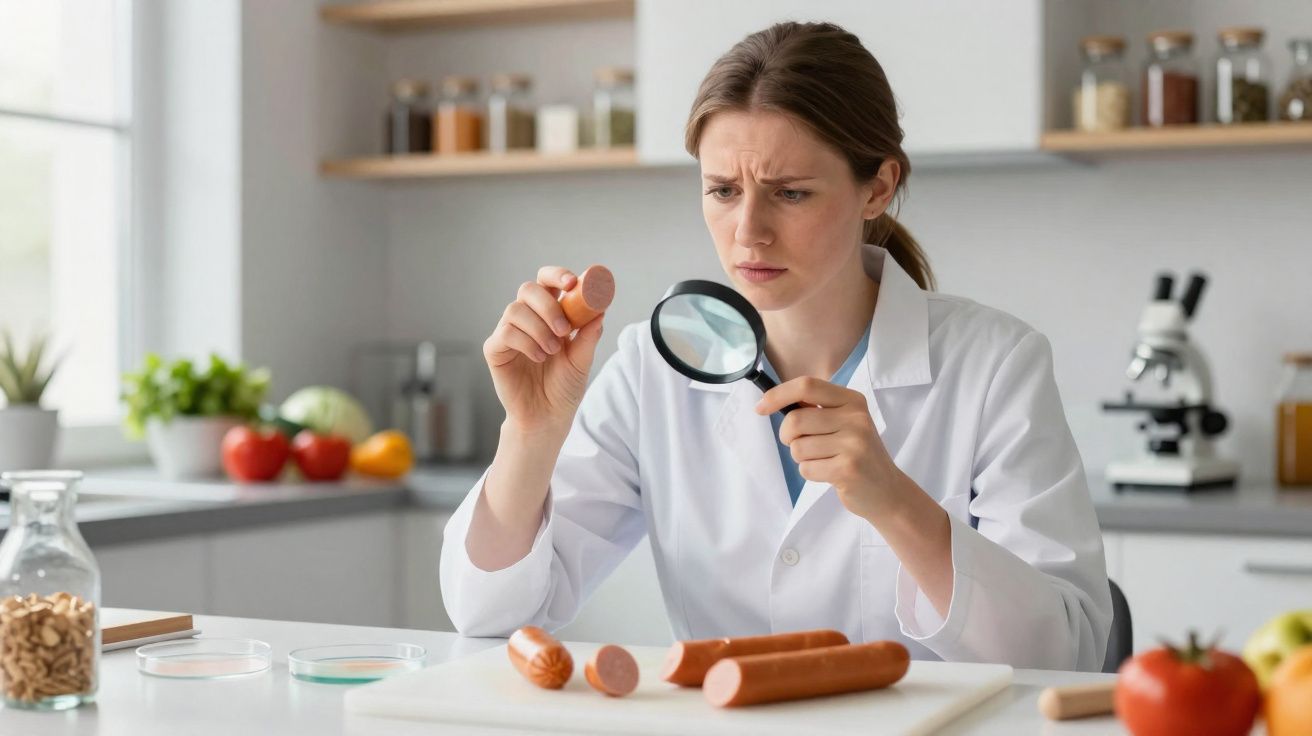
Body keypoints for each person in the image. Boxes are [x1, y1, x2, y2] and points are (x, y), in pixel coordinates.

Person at [440, 21, 1112, 671]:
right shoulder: (652, 367)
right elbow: (486, 614)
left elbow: (1066, 655)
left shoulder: (996, 365)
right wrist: (529, 435)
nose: (748, 232)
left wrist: (895, 502)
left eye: (789, 193)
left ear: (877, 186)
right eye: (723, 191)